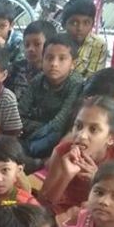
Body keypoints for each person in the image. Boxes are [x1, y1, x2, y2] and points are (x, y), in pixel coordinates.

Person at [40, 96, 114, 216]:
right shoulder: (63, 151)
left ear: (112, 137)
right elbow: (43, 203)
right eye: (78, 126)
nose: (82, 135)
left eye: (93, 129)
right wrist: (66, 175)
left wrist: (99, 180)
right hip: (63, 214)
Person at [18, 33, 85, 161]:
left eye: (62, 59)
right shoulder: (38, 80)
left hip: (60, 132)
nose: (54, 64)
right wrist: (36, 127)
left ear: (73, 63)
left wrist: (33, 131)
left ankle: (32, 157)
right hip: (39, 128)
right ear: (42, 59)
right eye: (49, 58)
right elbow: (19, 113)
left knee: (54, 137)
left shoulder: (76, 84)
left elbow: (60, 122)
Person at [62, 0, 107, 79]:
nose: (80, 28)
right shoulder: (57, 43)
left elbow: (93, 78)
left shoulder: (99, 45)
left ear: (92, 25)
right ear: (64, 24)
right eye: (74, 23)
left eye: (86, 23)